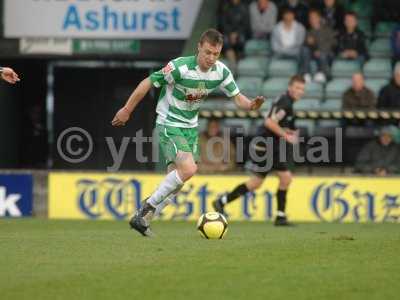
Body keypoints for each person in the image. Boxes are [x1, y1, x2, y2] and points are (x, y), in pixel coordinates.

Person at [112, 29, 264, 236]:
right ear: (199, 47)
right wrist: (127, 109)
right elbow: (147, 82)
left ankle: (144, 221)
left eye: (216, 54)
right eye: (208, 52)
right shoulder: (179, 67)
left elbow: (239, 98)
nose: (211, 58)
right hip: (169, 122)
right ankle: (146, 208)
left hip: (190, 127)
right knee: (189, 169)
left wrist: (252, 105)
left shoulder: (221, 72)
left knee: (176, 182)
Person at [212, 75, 305, 226]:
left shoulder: (287, 102)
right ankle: (279, 217)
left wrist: (291, 132)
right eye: (297, 87)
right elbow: (269, 122)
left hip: (271, 146)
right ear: (290, 87)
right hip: (266, 147)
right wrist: (286, 136)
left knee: (264, 181)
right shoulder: (285, 103)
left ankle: (222, 202)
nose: (299, 91)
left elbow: (284, 124)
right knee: (275, 179)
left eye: (302, 89)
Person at [300, 9, 336, 83]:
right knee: (304, 49)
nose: (312, 20)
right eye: (310, 18)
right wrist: (309, 43)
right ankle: (306, 74)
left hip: (326, 53)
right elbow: (306, 45)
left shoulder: (327, 30)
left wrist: (320, 50)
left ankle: (323, 73)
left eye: (314, 17)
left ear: (319, 18)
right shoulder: (308, 31)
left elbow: (332, 43)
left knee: (322, 55)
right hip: (313, 53)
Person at [220, 0, 250, 70]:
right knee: (225, 41)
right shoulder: (225, 6)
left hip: (240, 33)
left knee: (241, 40)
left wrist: (236, 33)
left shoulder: (244, 7)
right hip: (227, 33)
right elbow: (222, 23)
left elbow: (246, 25)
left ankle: (239, 63)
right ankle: (233, 65)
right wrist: (230, 33)